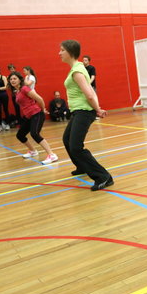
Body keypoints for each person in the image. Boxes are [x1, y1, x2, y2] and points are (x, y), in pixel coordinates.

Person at [60, 40, 113, 191]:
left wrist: (98, 109)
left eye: (62, 50)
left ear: (70, 52)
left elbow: (89, 93)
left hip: (84, 111)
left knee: (76, 147)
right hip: (78, 110)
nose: (59, 53)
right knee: (67, 139)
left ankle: (103, 177)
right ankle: (81, 166)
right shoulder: (77, 68)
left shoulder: (77, 71)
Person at [7, 71, 58, 165]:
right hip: (29, 116)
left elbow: (40, 99)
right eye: (11, 79)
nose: (12, 81)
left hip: (37, 113)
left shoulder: (24, 89)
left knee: (34, 134)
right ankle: (33, 151)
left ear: (19, 80)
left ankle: (51, 155)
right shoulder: (16, 92)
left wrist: (43, 110)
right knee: (20, 135)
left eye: (14, 78)